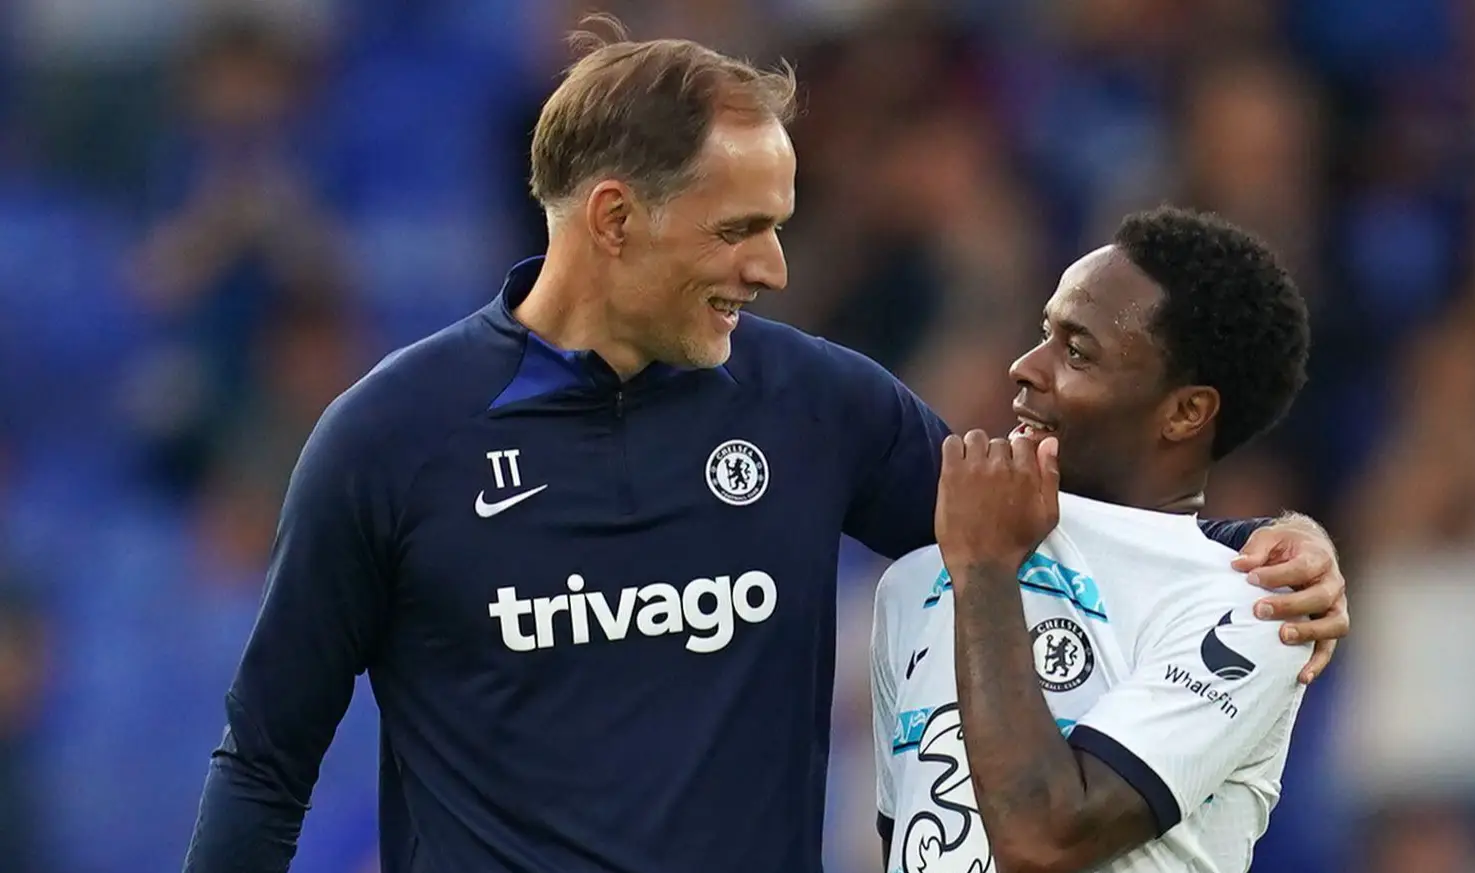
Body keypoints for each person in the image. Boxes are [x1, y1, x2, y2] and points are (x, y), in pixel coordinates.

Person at [182, 20, 1349, 873]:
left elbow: (1038, 531)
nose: (774, 269)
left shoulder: (819, 408)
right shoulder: (391, 440)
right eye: (739, 229)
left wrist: (1259, 548)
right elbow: (263, 764)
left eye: (779, 227)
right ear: (614, 219)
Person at [873, 206, 1323, 873]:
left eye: (1077, 351)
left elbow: (1045, 839)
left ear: (1185, 412)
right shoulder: (914, 582)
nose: (1025, 368)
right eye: (1044, 333)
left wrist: (987, 572)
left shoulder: (1251, 611)